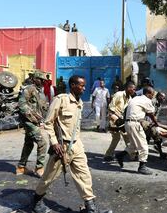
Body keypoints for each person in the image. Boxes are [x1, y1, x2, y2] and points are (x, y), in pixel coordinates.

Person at [32, 75, 112, 213]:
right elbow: (48, 123)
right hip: (62, 147)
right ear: (73, 85)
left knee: (84, 175)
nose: (84, 88)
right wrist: (54, 143)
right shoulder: (61, 100)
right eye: (82, 85)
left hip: (76, 145)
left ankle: (90, 207)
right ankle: (36, 201)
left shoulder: (79, 103)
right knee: (49, 177)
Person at [115, 87, 158, 175]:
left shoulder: (136, 98)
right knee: (143, 145)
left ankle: (120, 155)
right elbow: (151, 114)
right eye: (152, 95)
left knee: (134, 145)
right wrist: (156, 123)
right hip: (135, 124)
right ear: (148, 93)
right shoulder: (146, 100)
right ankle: (142, 167)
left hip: (128, 123)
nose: (153, 96)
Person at [16, 72, 48, 178]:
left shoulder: (40, 92)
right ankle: (39, 168)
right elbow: (22, 105)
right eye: (41, 79)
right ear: (35, 79)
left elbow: (43, 108)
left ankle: (21, 167)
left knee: (28, 144)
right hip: (29, 121)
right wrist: (34, 118)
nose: (43, 81)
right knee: (42, 143)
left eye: (44, 80)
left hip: (35, 122)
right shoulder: (28, 89)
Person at [103, 81, 136, 162]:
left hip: (123, 121)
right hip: (114, 120)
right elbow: (111, 108)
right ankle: (108, 155)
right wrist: (116, 119)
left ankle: (132, 155)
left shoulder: (130, 99)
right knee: (116, 138)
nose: (134, 91)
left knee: (127, 138)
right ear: (129, 88)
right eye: (133, 89)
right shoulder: (119, 94)